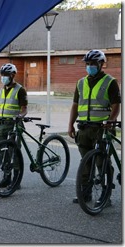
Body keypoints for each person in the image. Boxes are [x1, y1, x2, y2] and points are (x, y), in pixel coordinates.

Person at [68, 49, 121, 204]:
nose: (90, 66)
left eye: (93, 64)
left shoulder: (110, 82)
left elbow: (116, 105)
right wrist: (70, 124)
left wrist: (110, 121)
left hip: (101, 128)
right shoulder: (80, 83)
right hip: (84, 128)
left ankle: (106, 195)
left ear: (101, 64)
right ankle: (85, 193)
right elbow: (75, 105)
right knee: (85, 162)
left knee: (101, 161)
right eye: (88, 64)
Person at [0, 63, 28, 188]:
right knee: (3, 152)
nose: (3, 77)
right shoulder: (1, 90)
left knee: (14, 153)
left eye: (6, 75)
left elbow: (24, 109)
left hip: (14, 125)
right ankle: (6, 177)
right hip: (1, 125)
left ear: (13, 75)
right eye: (2, 75)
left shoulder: (20, 90)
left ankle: (16, 180)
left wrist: (20, 116)